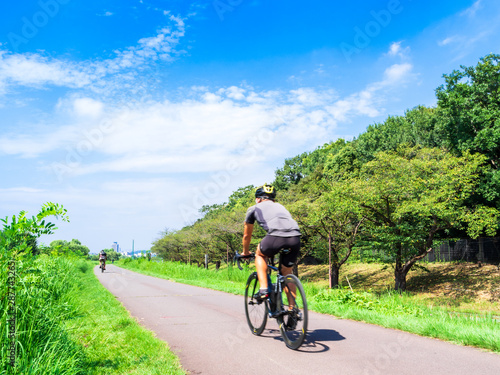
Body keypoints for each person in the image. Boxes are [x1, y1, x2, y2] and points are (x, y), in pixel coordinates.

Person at [241, 183, 301, 303]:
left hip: (275, 236)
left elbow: (247, 235)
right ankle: (292, 310)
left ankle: (263, 289)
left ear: (258, 199)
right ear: (272, 199)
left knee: (260, 254)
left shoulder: (253, 208)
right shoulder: (280, 206)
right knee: (286, 273)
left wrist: (245, 252)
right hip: (295, 237)